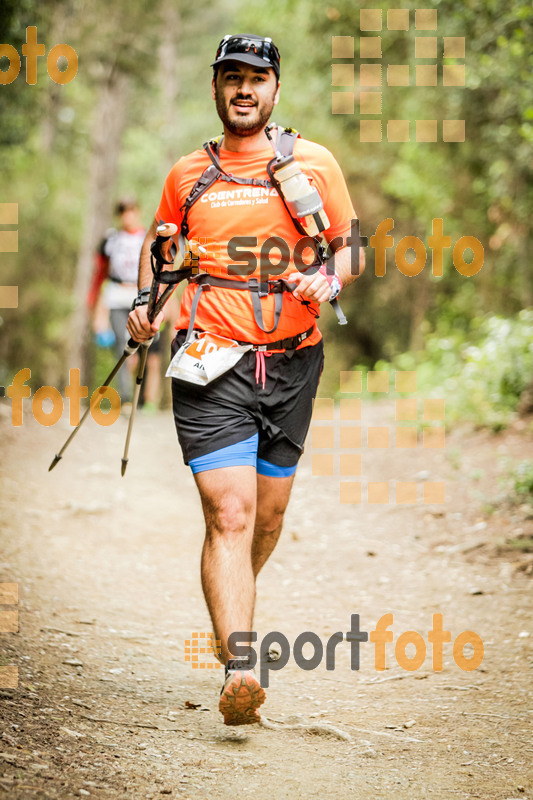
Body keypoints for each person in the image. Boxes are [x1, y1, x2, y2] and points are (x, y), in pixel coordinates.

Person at [127, 33, 365, 725]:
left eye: (254, 78)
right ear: (215, 89)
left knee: (266, 517)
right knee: (227, 514)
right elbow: (160, 254)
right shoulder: (187, 174)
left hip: (294, 359)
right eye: (230, 77)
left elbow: (349, 246)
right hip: (210, 359)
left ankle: (228, 604)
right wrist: (145, 308)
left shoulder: (313, 164)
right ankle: (240, 665)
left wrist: (327, 277)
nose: (242, 89)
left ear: (275, 89)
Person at [88, 197, 162, 410]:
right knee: (123, 345)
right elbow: (100, 274)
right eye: (122, 211)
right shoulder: (111, 240)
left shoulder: (147, 238)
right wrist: (95, 307)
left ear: (137, 211)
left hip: (141, 296)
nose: (126, 216)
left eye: (130, 210)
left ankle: (143, 400)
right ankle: (126, 397)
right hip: (116, 295)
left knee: (144, 347)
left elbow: (158, 271)